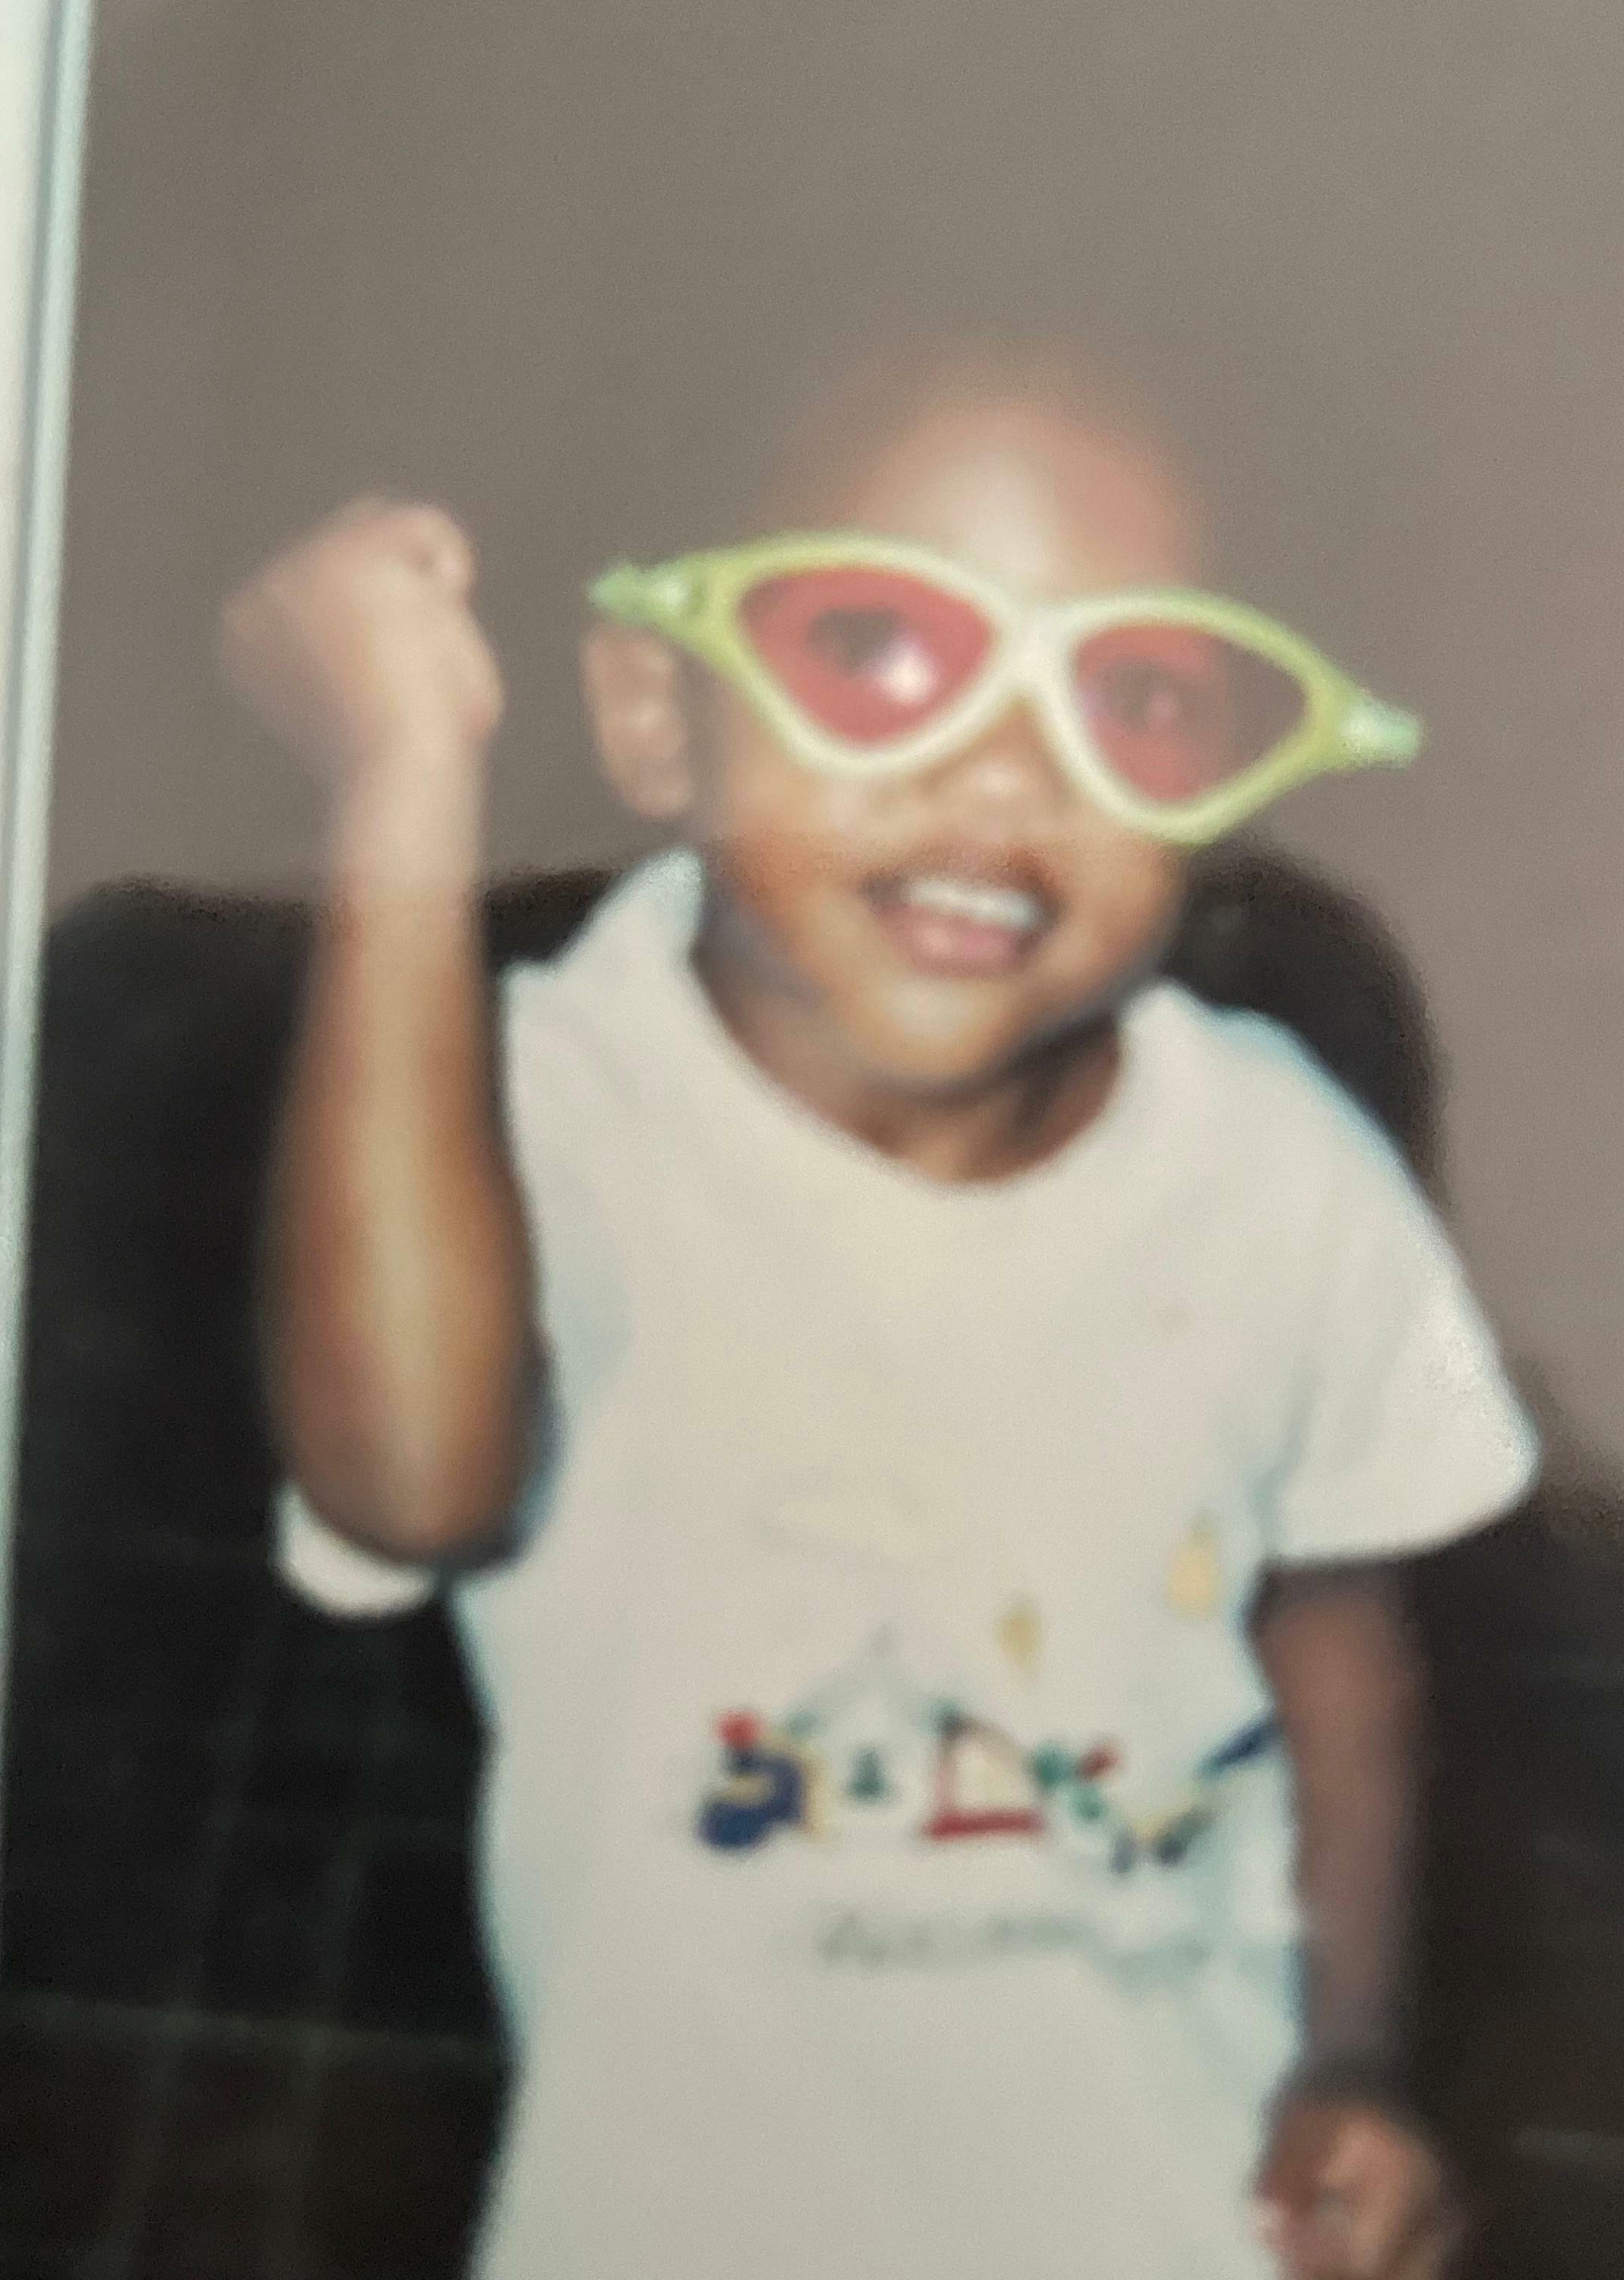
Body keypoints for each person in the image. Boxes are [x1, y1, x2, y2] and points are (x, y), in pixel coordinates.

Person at [221, 337, 1539, 2280]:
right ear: (657, 715)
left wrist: (1351, 2054)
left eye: (1137, 697)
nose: (1008, 773)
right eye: (878, 650)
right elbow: (408, 1482)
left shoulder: (1276, 1174)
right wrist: (403, 785)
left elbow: (1334, 1630)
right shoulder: (520, 1128)